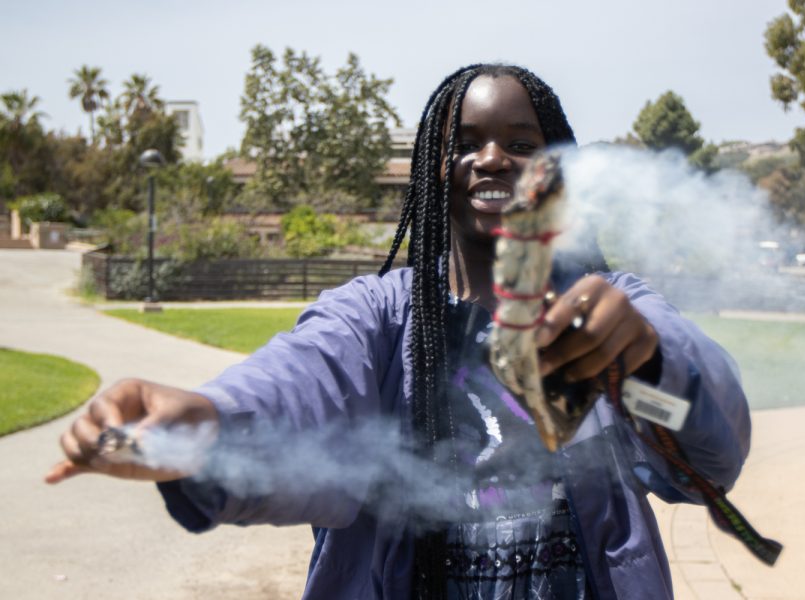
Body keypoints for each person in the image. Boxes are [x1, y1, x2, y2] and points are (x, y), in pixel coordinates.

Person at [47, 64, 751, 599]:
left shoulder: (607, 313)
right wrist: (203, 421)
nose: (494, 158)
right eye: (467, 142)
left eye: (521, 142)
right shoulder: (379, 319)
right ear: (431, 172)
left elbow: (706, 449)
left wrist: (651, 360)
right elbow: (298, 387)